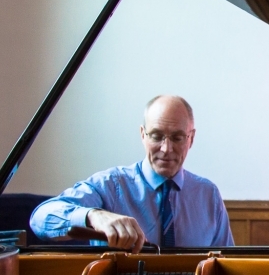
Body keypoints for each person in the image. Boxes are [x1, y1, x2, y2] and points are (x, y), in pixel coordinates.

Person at [30, 95, 234, 252]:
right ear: (143, 135)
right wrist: (94, 215)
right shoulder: (110, 185)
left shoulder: (208, 195)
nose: (166, 148)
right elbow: (40, 219)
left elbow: (228, 265)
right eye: (157, 136)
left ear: (191, 138)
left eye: (178, 138)